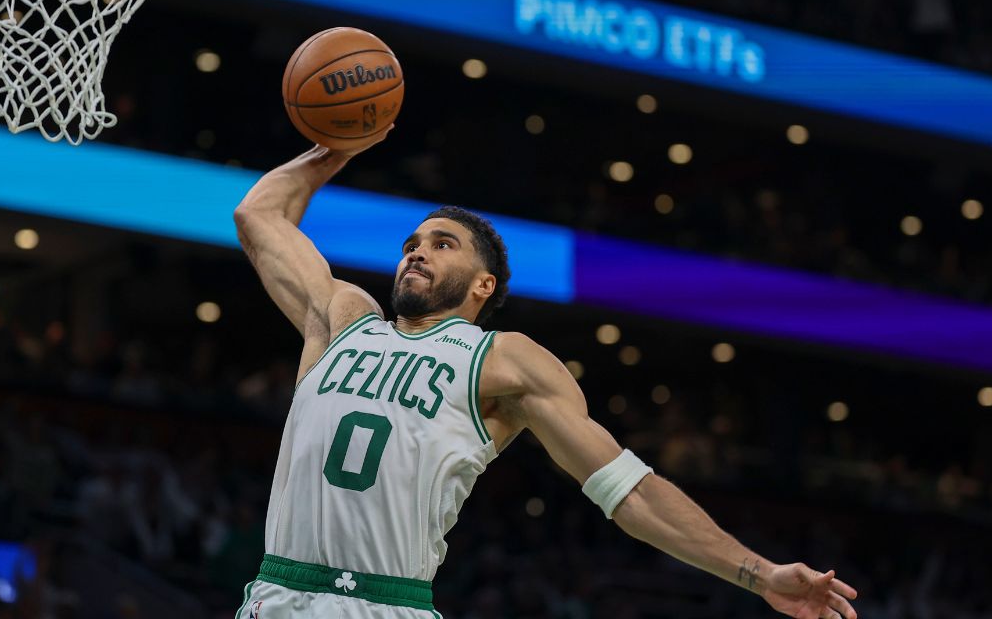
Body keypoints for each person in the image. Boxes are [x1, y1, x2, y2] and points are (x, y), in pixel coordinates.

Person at [231, 129, 859, 619]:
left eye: (443, 244)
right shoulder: (342, 318)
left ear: (484, 285)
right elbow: (258, 217)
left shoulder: (502, 359)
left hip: (386, 602)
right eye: (412, 244)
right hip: (276, 594)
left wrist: (760, 573)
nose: (417, 251)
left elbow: (630, 492)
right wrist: (335, 148)